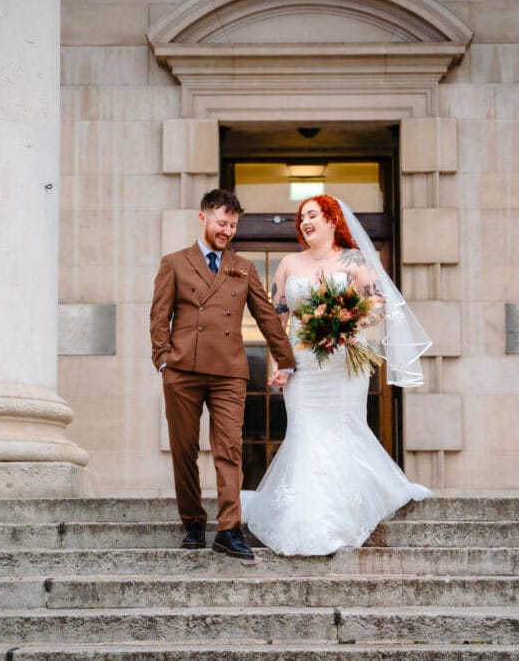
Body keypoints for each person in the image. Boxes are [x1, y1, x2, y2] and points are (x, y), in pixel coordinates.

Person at [241, 194, 433, 556]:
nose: (304, 223)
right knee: (305, 431)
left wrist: (346, 320)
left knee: (344, 429)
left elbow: (377, 304)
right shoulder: (288, 263)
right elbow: (276, 318)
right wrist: (276, 364)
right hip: (302, 364)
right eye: (301, 218)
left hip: (344, 362)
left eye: (311, 215)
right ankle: (306, 515)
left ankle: (340, 512)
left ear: (331, 219)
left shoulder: (353, 259)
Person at [150, 188, 296, 560]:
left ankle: (229, 529)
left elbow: (266, 317)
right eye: (220, 223)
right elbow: (159, 316)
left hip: (229, 373)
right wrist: (163, 360)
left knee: (229, 449)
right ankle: (194, 522)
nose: (226, 231)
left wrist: (287, 359)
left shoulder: (243, 268)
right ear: (203, 219)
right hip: (182, 370)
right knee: (183, 450)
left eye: (232, 225)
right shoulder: (175, 263)